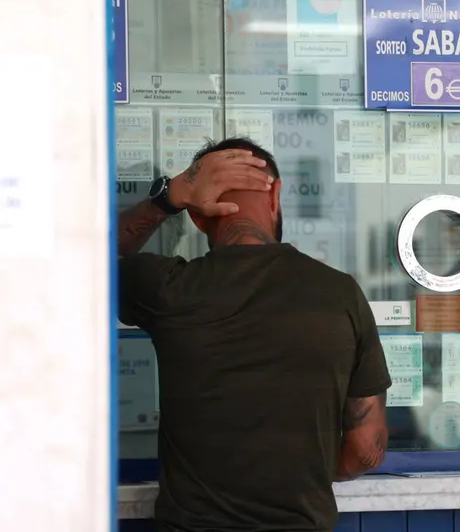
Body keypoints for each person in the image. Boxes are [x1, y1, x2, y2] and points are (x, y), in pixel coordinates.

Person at [117, 138, 391, 532]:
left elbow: (84, 260)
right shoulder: (340, 294)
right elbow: (367, 450)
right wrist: (299, 471)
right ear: (277, 194)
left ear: (196, 216)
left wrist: (168, 198)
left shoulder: (170, 289)